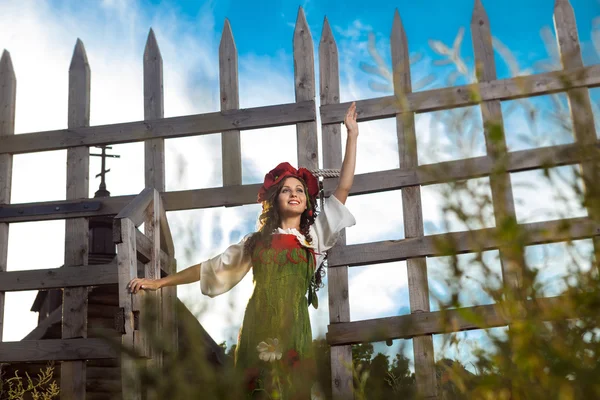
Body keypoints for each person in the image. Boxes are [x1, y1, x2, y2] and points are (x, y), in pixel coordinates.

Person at [128, 102, 359, 398]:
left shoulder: (315, 237)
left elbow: (344, 188)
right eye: (287, 189)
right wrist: (160, 282)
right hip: (257, 328)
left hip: (294, 331)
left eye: (300, 190)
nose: (294, 194)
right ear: (275, 199)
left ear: (308, 202)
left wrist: (351, 135)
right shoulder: (256, 241)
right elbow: (211, 268)